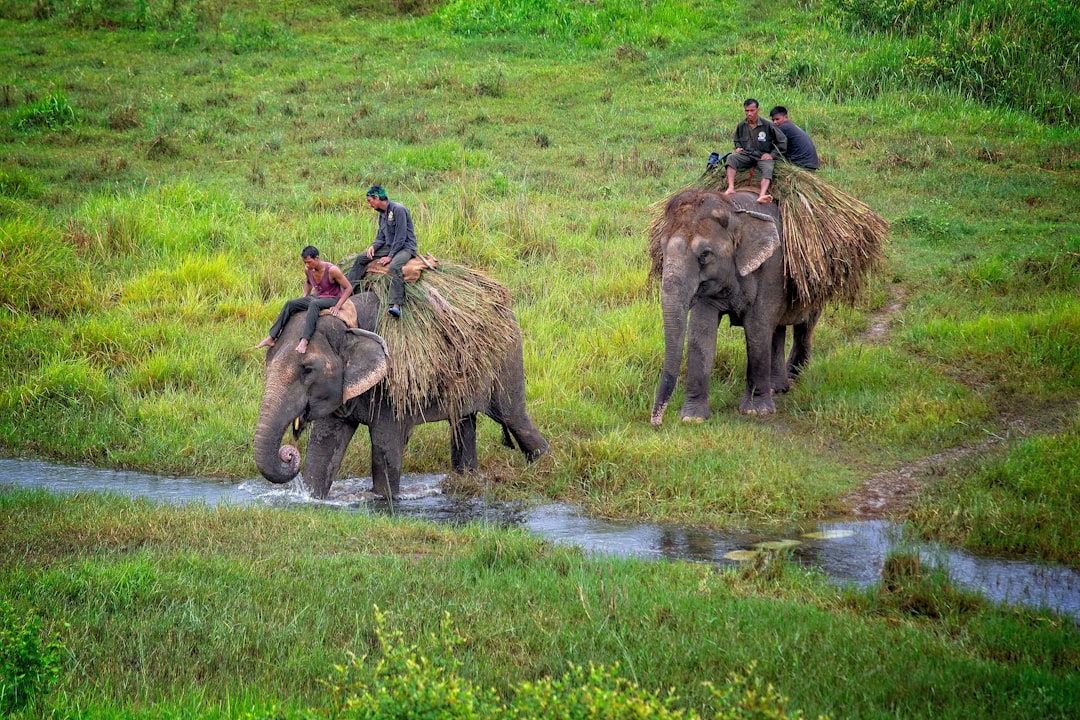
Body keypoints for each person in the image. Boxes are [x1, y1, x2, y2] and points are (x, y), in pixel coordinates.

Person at [255, 245, 353, 354]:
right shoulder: (308, 270)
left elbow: (348, 287)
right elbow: (308, 282)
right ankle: (272, 337)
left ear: (317, 258)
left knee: (314, 305)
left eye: (309, 262)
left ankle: (305, 340)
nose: (307, 265)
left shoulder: (332, 270)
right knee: (290, 303)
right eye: (305, 262)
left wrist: (338, 306)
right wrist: (305, 294)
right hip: (317, 296)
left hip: (332, 298)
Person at [348, 184, 418, 319]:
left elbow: (401, 236)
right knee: (361, 258)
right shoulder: (382, 214)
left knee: (394, 266)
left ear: (377, 197)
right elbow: (381, 235)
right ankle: (348, 290)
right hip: (389, 245)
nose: (369, 204)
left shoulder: (398, 210)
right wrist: (373, 246)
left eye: (370, 201)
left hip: (405, 247)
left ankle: (396, 304)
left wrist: (390, 256)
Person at [723, 98, 787, 203]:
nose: (749, 113)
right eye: (747, 111)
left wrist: (772, 154)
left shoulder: (768, 125)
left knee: (768, 167)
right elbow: (737, 139)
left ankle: (762, 194)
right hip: (747, 154)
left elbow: (782, 141)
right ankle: (730, 187)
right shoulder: (742, 125)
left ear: (758, 110)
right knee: (731, 158)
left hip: (762, 156)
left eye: (752, 110)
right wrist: (738, 147)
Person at [768, 106, 819, 171]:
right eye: (773, 120)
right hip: (811, 163)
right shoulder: (790, 126)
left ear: (786, 117)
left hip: (803, 164)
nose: (775, 122)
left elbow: (768, 142)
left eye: (777, 119)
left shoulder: (784, 127)